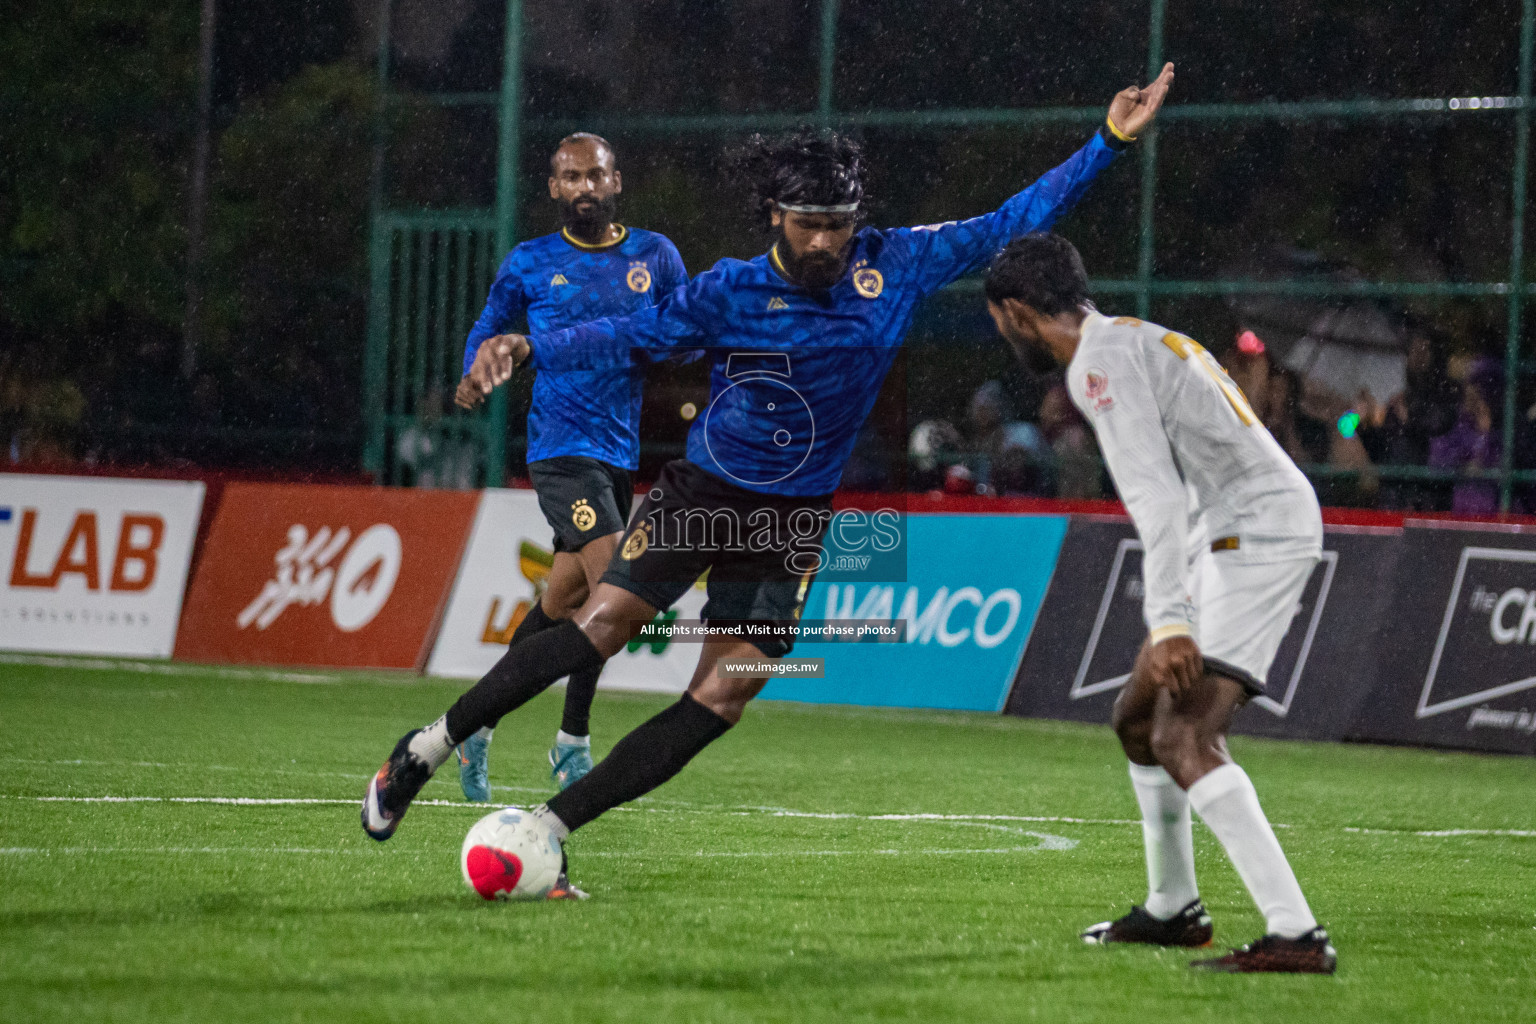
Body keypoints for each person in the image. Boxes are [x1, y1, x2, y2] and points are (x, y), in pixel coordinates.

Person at [360, 67, 1177, 896]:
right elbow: (631, 333)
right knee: (601, 622)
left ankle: (551, 825)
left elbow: (1014, 221)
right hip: (706, 492)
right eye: (808, 224)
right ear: (775, 217)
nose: (825, 241)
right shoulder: (730, 289)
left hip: (792, 521)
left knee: (723, 694)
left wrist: (1107, 143)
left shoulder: (896, 264)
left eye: (838, 224)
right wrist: (534, 347)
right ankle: (425, 748)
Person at [984, 233, 1335, 974]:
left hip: (1256, 532)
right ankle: (1174, 907)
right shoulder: (1132, 339)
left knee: (1185, 737)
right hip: (1234, 528)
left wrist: (1169, 619)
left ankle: (1296, 935)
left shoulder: (1097, 364)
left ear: (1017, 312)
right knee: (1137, 720)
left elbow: (1155, 494)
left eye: (997, 321)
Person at [451, 133, 689, 800]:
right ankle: (572, 741)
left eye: (595, 175)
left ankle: (478, 721)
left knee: (565, 600)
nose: (584, 187)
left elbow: (690, 323)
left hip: (619, 452)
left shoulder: (655, 256)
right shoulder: (530, 262)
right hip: (560, 449)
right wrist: (479, 367)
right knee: (619, 579)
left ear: (617, 182)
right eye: (570, 177)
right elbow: (491, 326)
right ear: (553, 188)